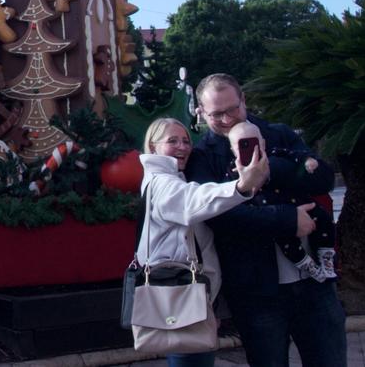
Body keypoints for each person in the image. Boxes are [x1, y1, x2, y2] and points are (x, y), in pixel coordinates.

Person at [185, 73, 347, 367]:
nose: (227, 118)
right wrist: (285, 219)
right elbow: (218, 216)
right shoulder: (202, 156)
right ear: (201, 112)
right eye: (216, 114)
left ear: (244, 100)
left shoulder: (279, 134)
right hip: (255, 291)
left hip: (315, 284)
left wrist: (269, 169)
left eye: (232, 108)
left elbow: (322, 177)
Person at [138, 117, 269, 367]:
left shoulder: (165, 178)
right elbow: (193, 201)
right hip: (182, 295)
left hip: (186, 294)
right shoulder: (164, 183)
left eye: (186, 141)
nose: (183, 147)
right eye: (172, 141)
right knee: (191, 356)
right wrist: (241, 186)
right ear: (153, 147)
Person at [226, 121, 338, 282]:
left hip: (300, 204)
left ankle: (326, 258)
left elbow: (295, 155)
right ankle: (307, 264)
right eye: (242, 145)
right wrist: (243, 184)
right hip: (274, 217)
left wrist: (307, 160)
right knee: (286, 241)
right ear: (232, 149)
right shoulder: (233, 169)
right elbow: (228, 199)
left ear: (263, 142)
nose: (249, 148)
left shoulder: (275, 153)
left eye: (254, 142)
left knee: (325, 219)